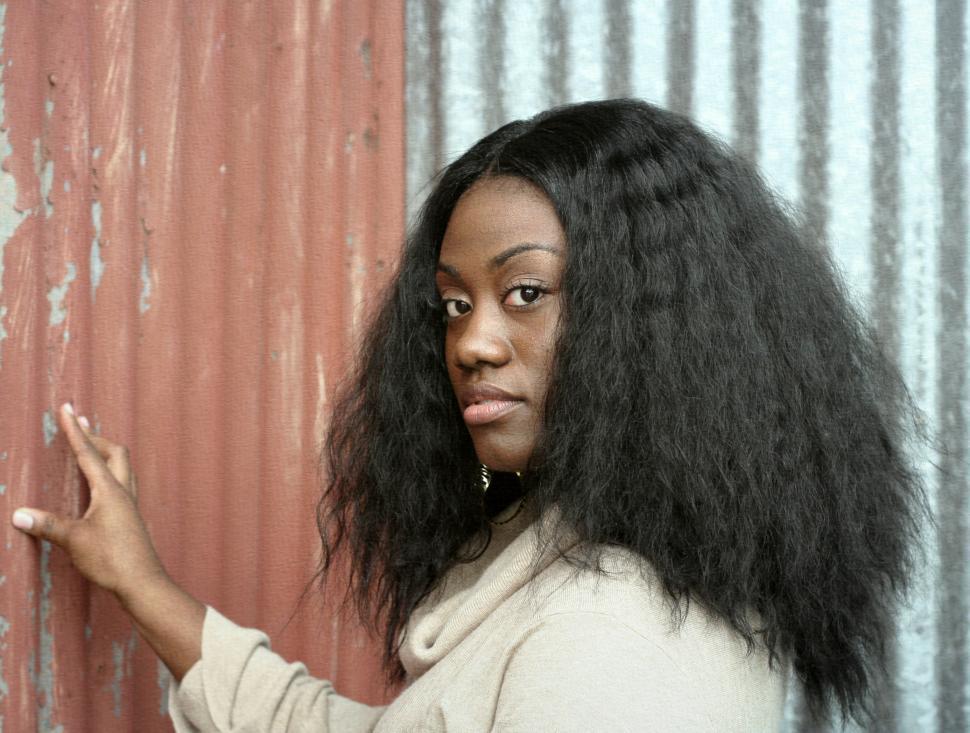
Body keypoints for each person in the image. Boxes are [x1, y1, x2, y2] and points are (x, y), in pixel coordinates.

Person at [11, 99, 928, 731]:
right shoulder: (584, 550)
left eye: (524, 291)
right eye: (454, 303)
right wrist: (143, 585)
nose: (472, 343)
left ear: (654, 320)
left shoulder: (619, 632)